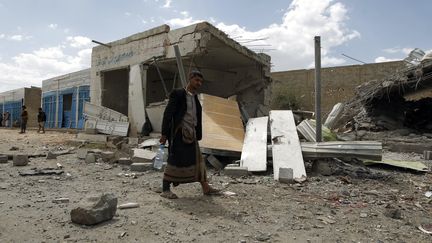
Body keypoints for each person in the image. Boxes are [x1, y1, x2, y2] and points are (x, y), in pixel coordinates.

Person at [160, 70, 220, 199]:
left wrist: (198, 134)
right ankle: (165, 189)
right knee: (174, 160)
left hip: (191, 134)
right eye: (197, 80)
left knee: (198, 161)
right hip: (179, 133)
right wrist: (164, 134)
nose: (199, 83)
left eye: (200, 82)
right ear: (190, 78)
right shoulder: (178, 94)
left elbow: (196, 118)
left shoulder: (195, 98)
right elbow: (168, 114)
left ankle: (206, 187)